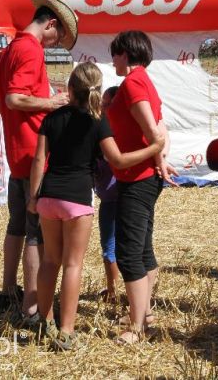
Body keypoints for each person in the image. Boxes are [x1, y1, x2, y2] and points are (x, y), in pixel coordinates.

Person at [27, 63, 164, 351]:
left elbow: (39, 161)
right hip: (77, 200)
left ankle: (44, 318)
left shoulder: (51, 119)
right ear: (97, 90)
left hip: (49, 197)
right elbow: (118, 161)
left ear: (70, 88)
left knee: (50, 260)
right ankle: (66, 331)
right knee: (73, 264)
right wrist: (154, 149)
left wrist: (33, 197)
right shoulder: (98, 121)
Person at [0, 0, 78, 325]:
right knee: (37, 236)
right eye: (59, 36)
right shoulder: (30, 49)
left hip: (16, 155)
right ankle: (33, 308)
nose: (57, 43)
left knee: (17, 226)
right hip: (35, 154)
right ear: (50, 24)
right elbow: (13, 98)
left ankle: (8, 289)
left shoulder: (9, 49)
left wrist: (36, 98)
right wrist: (52, 103)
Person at [107, 30, 176, 344]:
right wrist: (160, 157)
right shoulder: (146, 80)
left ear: (125, 52)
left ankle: (137, 327)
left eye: (115, 54)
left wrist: (156, 152)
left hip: (137, 178)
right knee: (142, 248)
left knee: (128, 254)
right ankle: (143, 313)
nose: (113, 61)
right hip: (145, 177)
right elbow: (162, 127)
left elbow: (153, 131)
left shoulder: (133, 82)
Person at [95, 86, 121, 303]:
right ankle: (114, 289)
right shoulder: (103, 130)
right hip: (109, 198)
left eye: (107, 104)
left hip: (115, 199)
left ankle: (115, 292)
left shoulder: (111, 134)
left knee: (110, 248)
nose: (102, 107)